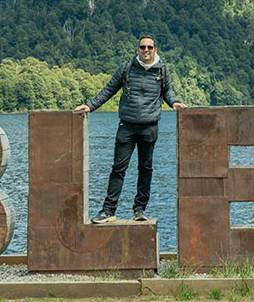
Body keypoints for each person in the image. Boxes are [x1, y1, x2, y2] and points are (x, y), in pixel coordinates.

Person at [75, 35, 185, 223]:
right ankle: (108, 211)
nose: (146, 50)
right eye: (142, 47)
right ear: (137, 50)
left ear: (155, 50)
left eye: (150, 47)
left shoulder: (162, 70)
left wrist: (174, 102)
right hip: (126, 125)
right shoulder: (126, 68)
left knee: (145, 168)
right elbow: (109, 90)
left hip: (149, 126)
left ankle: (140, 210)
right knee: (118, 168)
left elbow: (167, 91)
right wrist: (90, 106)